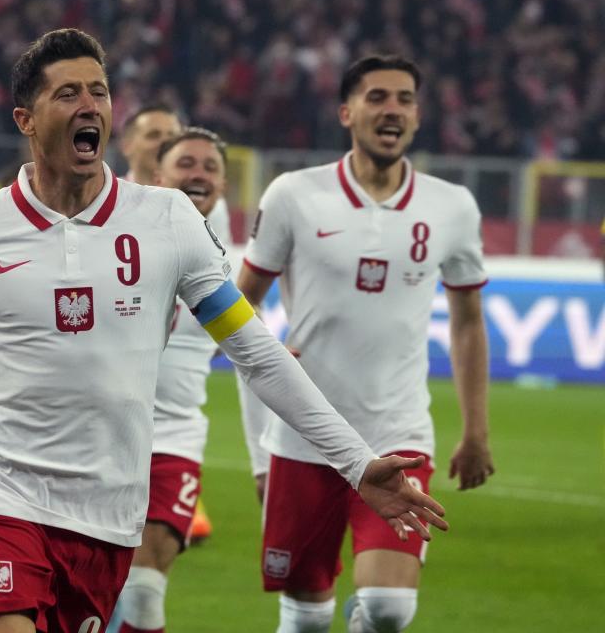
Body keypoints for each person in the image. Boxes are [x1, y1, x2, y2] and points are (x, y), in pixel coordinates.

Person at [0, 32, 448, 633]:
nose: (89, 103)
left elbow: (252, 348)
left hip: (108, 514)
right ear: (27, 119)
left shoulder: (168, 222)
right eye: (69, 92)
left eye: (98, 90)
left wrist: (357, 462)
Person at [236, 54, 494, 633]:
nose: (393, 109)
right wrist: (261, 438)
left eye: (405, 98)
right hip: (306, 441)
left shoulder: (451, 207)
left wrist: (476, 430)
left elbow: (469, 320)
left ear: (418, 117)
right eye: (378, 97)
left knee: (387, 611)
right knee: (305, 619)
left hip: (398, 434)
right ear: (347, 112)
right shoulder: (293, 195)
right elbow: (238, 307)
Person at [110, 127, 229, 633]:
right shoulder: (114, 245)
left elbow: (251, 346)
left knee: (141, 593)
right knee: (88, 595)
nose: (199, 174)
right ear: (157, 177)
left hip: (174, 441)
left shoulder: (225, 265)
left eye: (211, 167)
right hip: (99, 435)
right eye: (187, 164)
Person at [117, 103, 215, 544]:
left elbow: (225, 297)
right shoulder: (100, 205)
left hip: (175, 422)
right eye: (155, 134)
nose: (164, 142)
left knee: (143, 582)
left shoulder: (200, 213)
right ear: (129, 144)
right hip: (104, 414)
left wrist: (252, 342)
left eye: (171, 133)